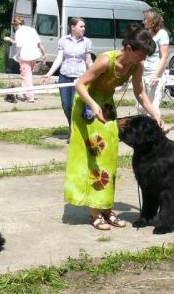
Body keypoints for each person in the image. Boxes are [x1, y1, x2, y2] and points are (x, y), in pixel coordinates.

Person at [63, 24, 163, 231]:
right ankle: (95, 212)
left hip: (107, 107)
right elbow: (80, 84)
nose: (143, 59)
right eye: (141, 54)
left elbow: (140, 93)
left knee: (109, 158)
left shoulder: (137, 66)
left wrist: (156, 114)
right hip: (86, 107)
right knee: (94, 158)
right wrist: (92, 105)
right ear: (128, 48)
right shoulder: (104, 60)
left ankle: (106, 208)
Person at [41, 17, 92, 140]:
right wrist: (48, 74)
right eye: (81, 26)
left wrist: (96, 74)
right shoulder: (63, 41)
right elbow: (59, 59)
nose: (83, 29)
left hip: (79, 78)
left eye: (84, 26)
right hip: (64, 77)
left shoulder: (87, 42)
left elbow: (89, 61)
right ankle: (71, 126)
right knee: (66, 105)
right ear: (72, 27)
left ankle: (74, 132)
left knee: (75, 106)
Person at [4, 17, 46, 103]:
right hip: (34, 56)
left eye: (14, 26)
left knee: (25, 77)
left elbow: (18, 44)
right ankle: (29, 95)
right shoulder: (32, 30)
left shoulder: (19, 31)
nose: (14, 28)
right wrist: (44, 54)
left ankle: (29, 97)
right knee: (29, 76)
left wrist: (9, 39)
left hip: (25, 56)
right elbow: (39, 44)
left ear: (16, 25)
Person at [137, 9, 169, 118]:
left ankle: (155, 131)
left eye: (145, 19)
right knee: (141, 106)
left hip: (155, 74)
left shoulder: (162, 34)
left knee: (152, 108)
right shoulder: (147, 33)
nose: (143, 22)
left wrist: (156, 74)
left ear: (152, 21)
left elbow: (164, 56)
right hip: (143, 73)